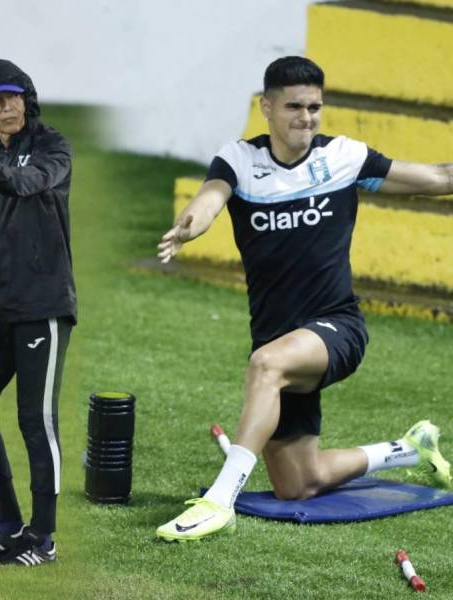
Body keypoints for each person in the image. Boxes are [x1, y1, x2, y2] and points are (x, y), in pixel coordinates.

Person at [155, 56, 453, 542]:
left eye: (315, 107)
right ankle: (407, 448)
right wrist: (190, 225)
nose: (306, 118)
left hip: (336, 327)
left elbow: (439, 178)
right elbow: (211, 196)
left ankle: (218, 500)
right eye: (294, 107)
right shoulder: (241, 160)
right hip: (278, 335)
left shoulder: (343, 158)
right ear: (266, 108)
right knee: (299, 483)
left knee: (265, 365)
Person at [0, 59, 76, 567]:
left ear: (28, 99)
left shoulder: (53, 148)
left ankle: (43, 537)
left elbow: (31, 180)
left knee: (35, 420)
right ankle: (6, 524)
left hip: (43, 307)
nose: (7, 107)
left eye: (14, 97)